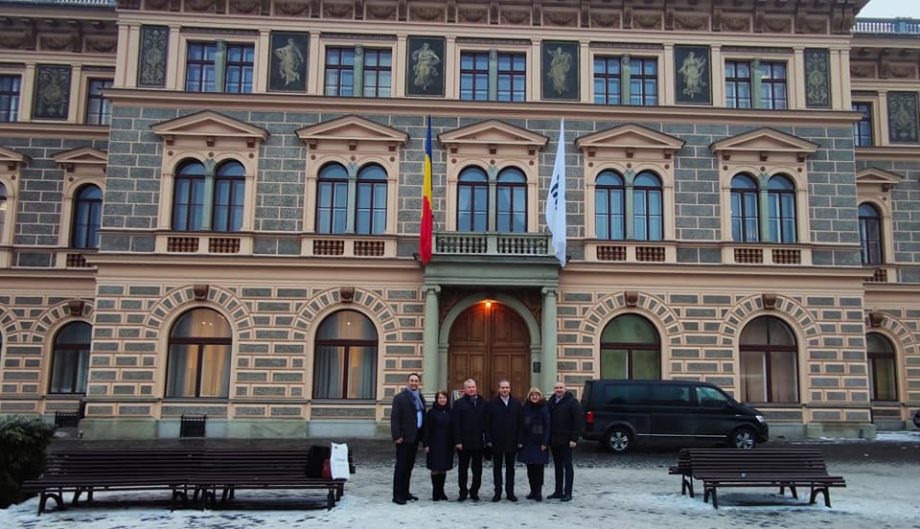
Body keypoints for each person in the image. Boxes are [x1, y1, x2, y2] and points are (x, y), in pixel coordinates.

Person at [391, 373, 426, 505]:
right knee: (401, 467)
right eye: (411, 380)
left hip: (415, 437)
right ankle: (397, 495)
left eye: (416, 381)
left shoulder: (420, 397)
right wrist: (396, 436)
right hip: (404, 438)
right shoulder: (400, 398)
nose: (414, 383)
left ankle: (405, 492)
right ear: (407, 382)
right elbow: (395, 418)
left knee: (409, 467)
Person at [485, 379, 522, 502]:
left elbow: (520, 423)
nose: (505, 390)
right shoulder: (492, 404)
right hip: (497, 441)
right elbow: (487, 424)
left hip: (512, 441)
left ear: (510, 389)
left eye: (507, 387)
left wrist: (519, 440)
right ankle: (498, 492)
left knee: (511, 468)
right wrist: (489, 440)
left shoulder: (516, 403)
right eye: (502, 387)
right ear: (498, 389)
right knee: (497, 468)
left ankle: (510, 492)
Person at [546, 381, 584, 502]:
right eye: (556, 388)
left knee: (567, 467)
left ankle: (568, 492)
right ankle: (558, 491)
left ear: (565, 389)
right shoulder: (551, 402)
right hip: (554, 440)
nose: (559, 390)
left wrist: (574, 439)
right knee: (557, 467)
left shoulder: (572, 402)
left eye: (561, 388)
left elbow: (578, 421)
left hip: (567, 440)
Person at [451, 378, 486, 501]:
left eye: (473, 387)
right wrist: (458, 441)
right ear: (464, 389)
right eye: (469, 387)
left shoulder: (482, 402)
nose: (472, 389)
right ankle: (463, 491)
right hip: (464, 443)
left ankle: (474, 491)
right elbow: (456, 424)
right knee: (463, 469)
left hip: (478, 442)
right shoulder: (458, 403)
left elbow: (486, 423)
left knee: (478, 470)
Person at [518, 386, 550, 501]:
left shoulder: (544, 408)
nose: (534, 397)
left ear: (539, 396)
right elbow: (521, 426)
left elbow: (547, 426)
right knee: (530, 468)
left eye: (536, 395)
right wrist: (520, 441)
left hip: (539, 442)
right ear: (529, 397)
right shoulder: (525, 408)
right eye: (532, 395)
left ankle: (538, 492)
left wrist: (545, 442)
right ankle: (532, 490)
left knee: (539, 468)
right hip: (528, 442)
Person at [423, 390, 453, 501]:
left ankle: (442, 491)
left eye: (444, 398)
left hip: (446, 444)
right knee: (435, 468)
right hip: (434, 444)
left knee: (443, 468)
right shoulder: (431, 412)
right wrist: (426, 444)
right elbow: (426, 429)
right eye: (440, 398)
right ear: (436, 399)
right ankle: (435, 492)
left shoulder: (450, 411)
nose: (442, 400)